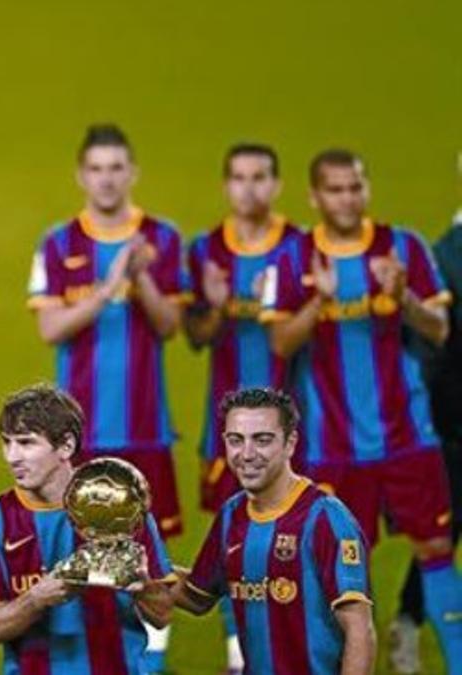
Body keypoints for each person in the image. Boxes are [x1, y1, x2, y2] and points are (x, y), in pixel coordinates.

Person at [261, 148, 462, 672]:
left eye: (355, 187)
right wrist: (318, 304)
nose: (347, 199)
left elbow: (440, 330)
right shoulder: (292, 259)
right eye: (336, 189)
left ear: (366, 189)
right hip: (332, 446)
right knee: (343, 565)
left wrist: (405, 298)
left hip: (406, 436)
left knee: (437, 545)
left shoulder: (404, 249)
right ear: (314, 196)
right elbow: (280, 342)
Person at [26, 123, 187, 669]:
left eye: (117, 167)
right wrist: (107, 286)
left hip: (145, 427)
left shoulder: (163, 239)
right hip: (78, 436)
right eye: (96, 168)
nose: (107, 179)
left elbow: (169, 326)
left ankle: (153, 663)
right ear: (81, 176)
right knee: (84, 554)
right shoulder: (58, 243)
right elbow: (50, 329)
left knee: (152, 557)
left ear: (133, 173)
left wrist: (141, 281)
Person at [182, 142, 303, 673]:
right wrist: (217, 304)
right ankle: (239, 651)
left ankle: (301, 641)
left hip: (300, 420)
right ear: (226, 185)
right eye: (239, 177)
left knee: (299, 534)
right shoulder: (206, 249)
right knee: (236, 534)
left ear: (275, 185)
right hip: (228, 425)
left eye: (260, 177)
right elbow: (196, 335)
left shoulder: (300, 247)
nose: (249, 187)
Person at [0, 384, 173, 674]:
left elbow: (163, 613)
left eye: (26, 443)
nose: (12, 457)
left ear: (66, 446)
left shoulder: (119, 507)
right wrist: (37, 598)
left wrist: (143, 588)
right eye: (6, 442)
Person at [171, 387, 376, 674]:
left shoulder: (325, 519)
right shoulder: (232, 514)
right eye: (236, 440)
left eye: (262, 440)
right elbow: (197, 596)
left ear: (290, 443)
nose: (247, 454)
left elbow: (359, 628)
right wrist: (140, 568)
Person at [387, 200, 462, 673]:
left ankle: (407, 622)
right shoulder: (442, 257)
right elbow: (425, 347)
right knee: (444, 527)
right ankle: (408, 622)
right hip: (450, 420)